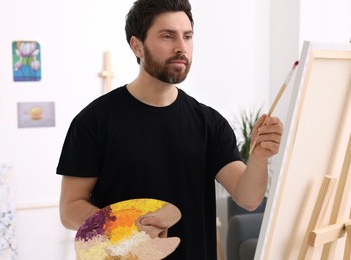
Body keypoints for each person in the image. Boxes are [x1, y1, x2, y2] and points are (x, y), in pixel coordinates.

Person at [56, 0, 283, 259]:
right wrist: (127, 225)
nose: (181, 48)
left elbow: (249, 198)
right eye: (167, 36)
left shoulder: (210, 123)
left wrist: (260, 156)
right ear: (137, 45)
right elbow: (69, 209)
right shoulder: (93, 121)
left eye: (187, 36)